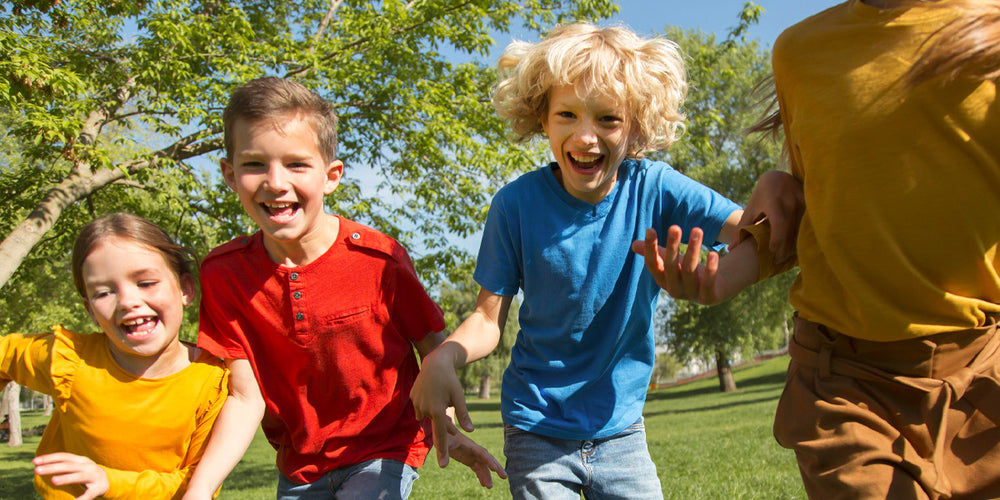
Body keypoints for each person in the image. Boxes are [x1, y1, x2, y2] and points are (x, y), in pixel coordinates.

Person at [411, 23, 772, 499]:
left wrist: (727, 269)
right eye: (567, 114)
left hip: (620, 427)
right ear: (542, 118)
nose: (586, 136)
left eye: (608, 119)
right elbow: (486, 317)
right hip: (536, 427)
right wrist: (445, 356)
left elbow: (753, 230)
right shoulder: (514, 206)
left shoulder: (655, 188)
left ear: (636, 126)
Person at [182, 77, 505, 500]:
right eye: (255, 164)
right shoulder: (223, 274)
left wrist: (444, 426)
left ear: (331, 175)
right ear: (229, 174)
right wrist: (200, 489)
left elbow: (433, 350)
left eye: (297, 164)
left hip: (383, 448)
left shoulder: (380, 260)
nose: (276, 181)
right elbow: (245, 398)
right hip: (299, 466)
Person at [738, 1, 1000, 498]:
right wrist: (776, 186)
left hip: (982, 377)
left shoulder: (991, 27)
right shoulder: (799, 51)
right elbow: (822, 202)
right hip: (847, 384)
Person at [0, 212, 229, 499]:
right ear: (90, 310)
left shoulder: (214, 382)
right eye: (104, 292)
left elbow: (197, 484)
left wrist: (111, 482)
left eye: (145, 283)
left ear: (185, 288)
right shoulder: (67, 359)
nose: (128, 302)